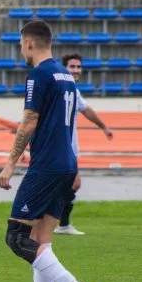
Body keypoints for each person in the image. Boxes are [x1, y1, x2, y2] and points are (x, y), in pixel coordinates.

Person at [0, 20, 91, 282]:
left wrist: (10, 163)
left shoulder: (38, 74)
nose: (21, 50)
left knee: (16, 237)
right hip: (66, 164)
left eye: (21, 44)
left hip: (47, 166)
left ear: (28, 42)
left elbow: (29, 120)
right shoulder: (65, 75)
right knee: (40, 239)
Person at [56, 53, 113, 236]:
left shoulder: (73, 90)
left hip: (70, 147)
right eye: (72, 66)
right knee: (68, 183)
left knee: (70, 184)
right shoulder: (59, 88)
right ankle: (52, 223)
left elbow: (86, 109)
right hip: (59, 146)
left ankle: (60, 224)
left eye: (78, 67)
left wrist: (104, 127)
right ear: (64, 68)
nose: (76, 70)